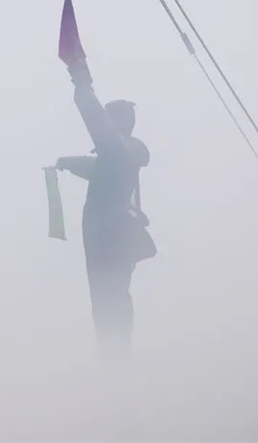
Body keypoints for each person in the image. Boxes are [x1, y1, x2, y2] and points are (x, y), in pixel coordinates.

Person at [55, 60, 152, 366]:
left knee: (109, 303)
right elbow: (98, 168)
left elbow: (95, 119)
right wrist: (68, 163)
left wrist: (81, 83)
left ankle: (115, 363)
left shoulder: (117, 148)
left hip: (108, 239)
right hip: (111, 239)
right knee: (110, 301)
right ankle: (114, 359)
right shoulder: (120, 154)